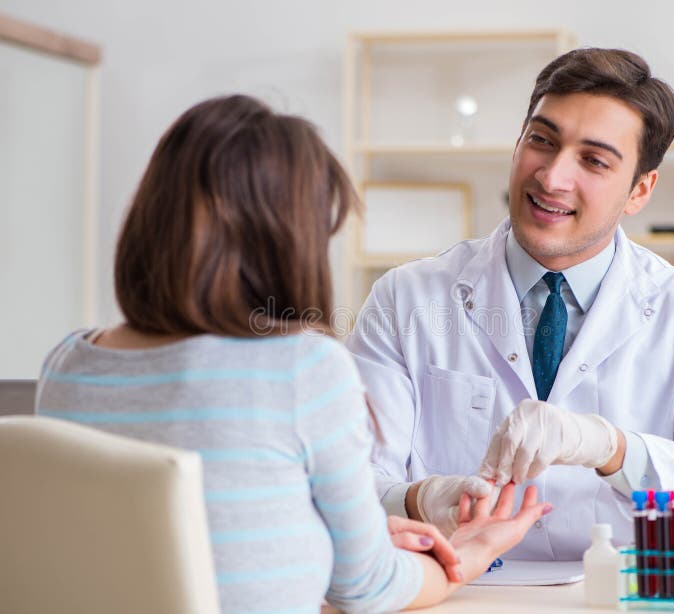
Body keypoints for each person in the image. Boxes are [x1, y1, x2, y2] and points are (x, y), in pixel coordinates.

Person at [34, 95, 551, 613]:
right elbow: (366, 589)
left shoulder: (69, 363)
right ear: (287, 239)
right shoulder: (301, 368)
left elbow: (179, 543)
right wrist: (470, 552)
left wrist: (331, 540)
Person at [346, 48, 674, 560]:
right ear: (518, 144)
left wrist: (610, 447)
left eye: (594, 160)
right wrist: (418, 499)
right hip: (456, 595)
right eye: (542, 140)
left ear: (640, 190)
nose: (552, 176)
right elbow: (345, 482)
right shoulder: (406, 298)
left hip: (619, 599)